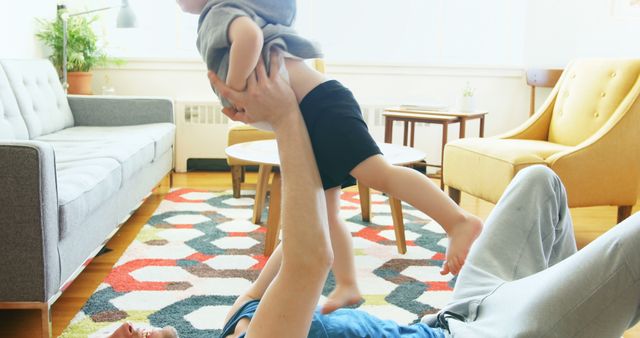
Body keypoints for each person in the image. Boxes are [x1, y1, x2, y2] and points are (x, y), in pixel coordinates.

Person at [206, 52, 640, 338]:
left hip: (458, 316)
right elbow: (309, 260)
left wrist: (304, 117)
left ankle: (573, 306)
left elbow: (311, 220)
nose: (133, 331)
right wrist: (283, 117)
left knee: (539, 182)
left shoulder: (235, 322)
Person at [176, 0, 484, 315]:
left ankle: (458, 222)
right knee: (320, 214)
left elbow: (250, 37)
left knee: (378, 174)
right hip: (313, 110)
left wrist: (237, 88)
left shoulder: (219, 11)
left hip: (318, 106)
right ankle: (342, 285)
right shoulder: (229, 11)